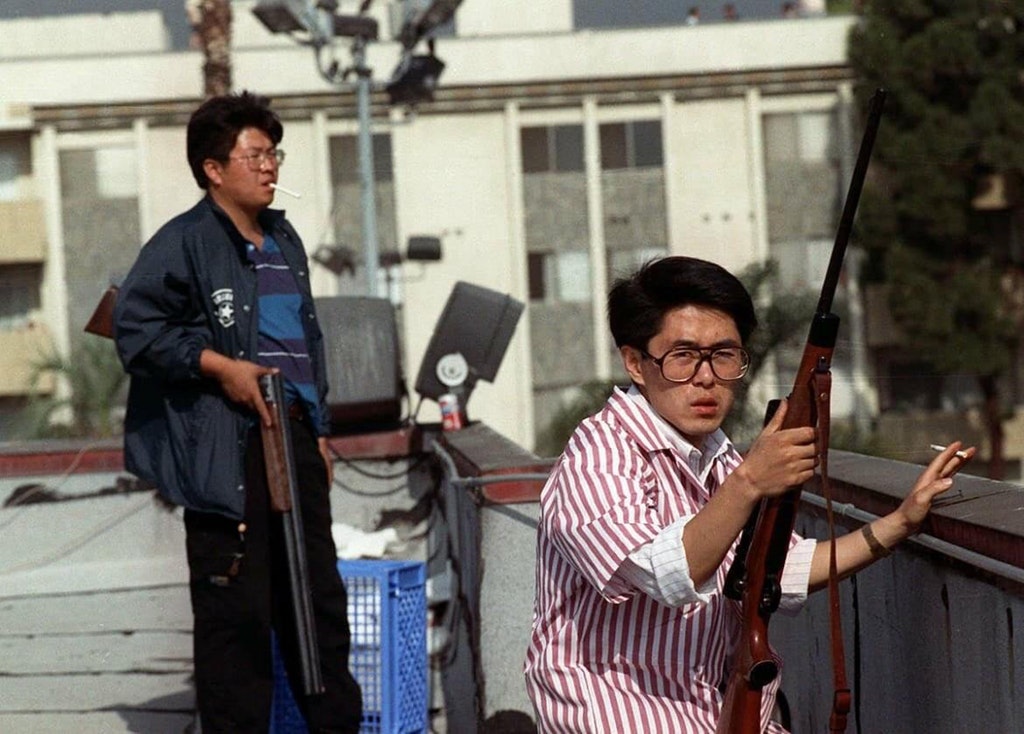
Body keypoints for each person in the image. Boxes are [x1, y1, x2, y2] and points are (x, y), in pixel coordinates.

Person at [523, 256, 973, 732]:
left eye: (723, 355)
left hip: (705, 710)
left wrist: (901, 522)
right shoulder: (597, 457)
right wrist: (752, 481)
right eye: (682, 356)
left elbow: (780, 567)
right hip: (612, 712)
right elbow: (664, 571)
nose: (705, 377)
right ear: (635, 363)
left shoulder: (716, 456)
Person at [113, 91, 362, 733]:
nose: (270, 167)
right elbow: (136, 332)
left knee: (320, 612)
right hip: (229, 452)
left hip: (296, 439)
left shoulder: (285, 237)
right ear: (213, 169)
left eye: (273, 154)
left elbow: (305, 346)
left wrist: (321, 433)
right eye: (254, 155)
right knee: (237, 624)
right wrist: (221, 368)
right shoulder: (184, 242)